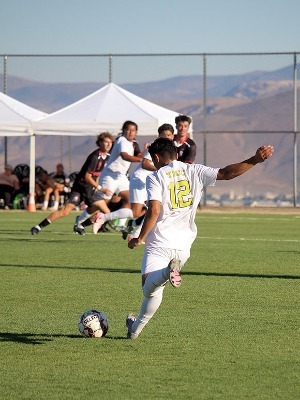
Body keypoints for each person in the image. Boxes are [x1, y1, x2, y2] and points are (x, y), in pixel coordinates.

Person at [125, 137, 274, 340]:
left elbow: (155, 210)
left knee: (148, 286)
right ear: (177, 155)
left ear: (157, 157)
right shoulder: (193, 170)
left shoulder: (156, 176)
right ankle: (134, 330)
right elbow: (226, 173)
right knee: (156, 288)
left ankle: (166, 272)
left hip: (160, 242)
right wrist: (255, 160)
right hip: (184, 246)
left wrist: (139, 237)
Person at [30, 132, 114, 235]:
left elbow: (96, 175)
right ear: (100, 143)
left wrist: (96, 187)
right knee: (65, 212)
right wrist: (101, 188)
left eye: (110, 142)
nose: (109, 144)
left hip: (90, 190)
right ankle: (38, 227)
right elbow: (88, 177)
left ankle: (80, 225)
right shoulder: (95, 157)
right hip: (80, 187)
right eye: (106, 142)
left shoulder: (107, 157)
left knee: (107, 211)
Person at [87, 120, 143, 234]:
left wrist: (147, 152)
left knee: (130, 199)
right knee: (102, 204)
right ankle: (81, 222)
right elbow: (125, 156)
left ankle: (121, 225)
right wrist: (142, 160)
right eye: (128, 129)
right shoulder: (122, 140)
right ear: (123, 131)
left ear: (136, 132)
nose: (130, 132)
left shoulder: (134, 143)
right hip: (110, 175)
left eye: (133, 130)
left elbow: (139, 155)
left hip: (121, 176)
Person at [122, 123, 175, 241]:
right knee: (137, 212)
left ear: (172, 136)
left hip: (152, 182)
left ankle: (135, 230)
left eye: (168, 135)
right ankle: (104, 217)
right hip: (141, 180)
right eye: (163, 135)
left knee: (156, 208)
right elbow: (145, 164)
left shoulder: (171, 148)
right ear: (159, 136)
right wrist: (163, 169)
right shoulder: (156, 147)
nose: (166, 137)